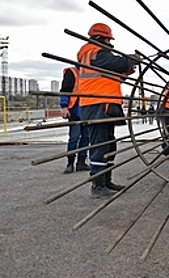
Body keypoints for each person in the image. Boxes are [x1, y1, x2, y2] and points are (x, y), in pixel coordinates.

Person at [77, 22, 138, 198]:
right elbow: (116, 62)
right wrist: (131, 59)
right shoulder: (93, 52)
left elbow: (112, 73)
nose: (110, 44)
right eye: (108, 40)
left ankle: (106, 181)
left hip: (105, 103)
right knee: (100, 144)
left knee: (109, 143)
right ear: (101, 38)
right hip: (96, 104)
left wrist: (125, 71)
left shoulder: (98, 56)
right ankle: (97, 185)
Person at [59, 65, 90, 174]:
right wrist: (64, 106)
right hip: (75, 110)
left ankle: (81, 162)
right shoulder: (72, 72)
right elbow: (65, 89)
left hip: (87, 109)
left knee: (86, 137)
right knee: (74, 137)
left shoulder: (89, 72)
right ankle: (70, 163)